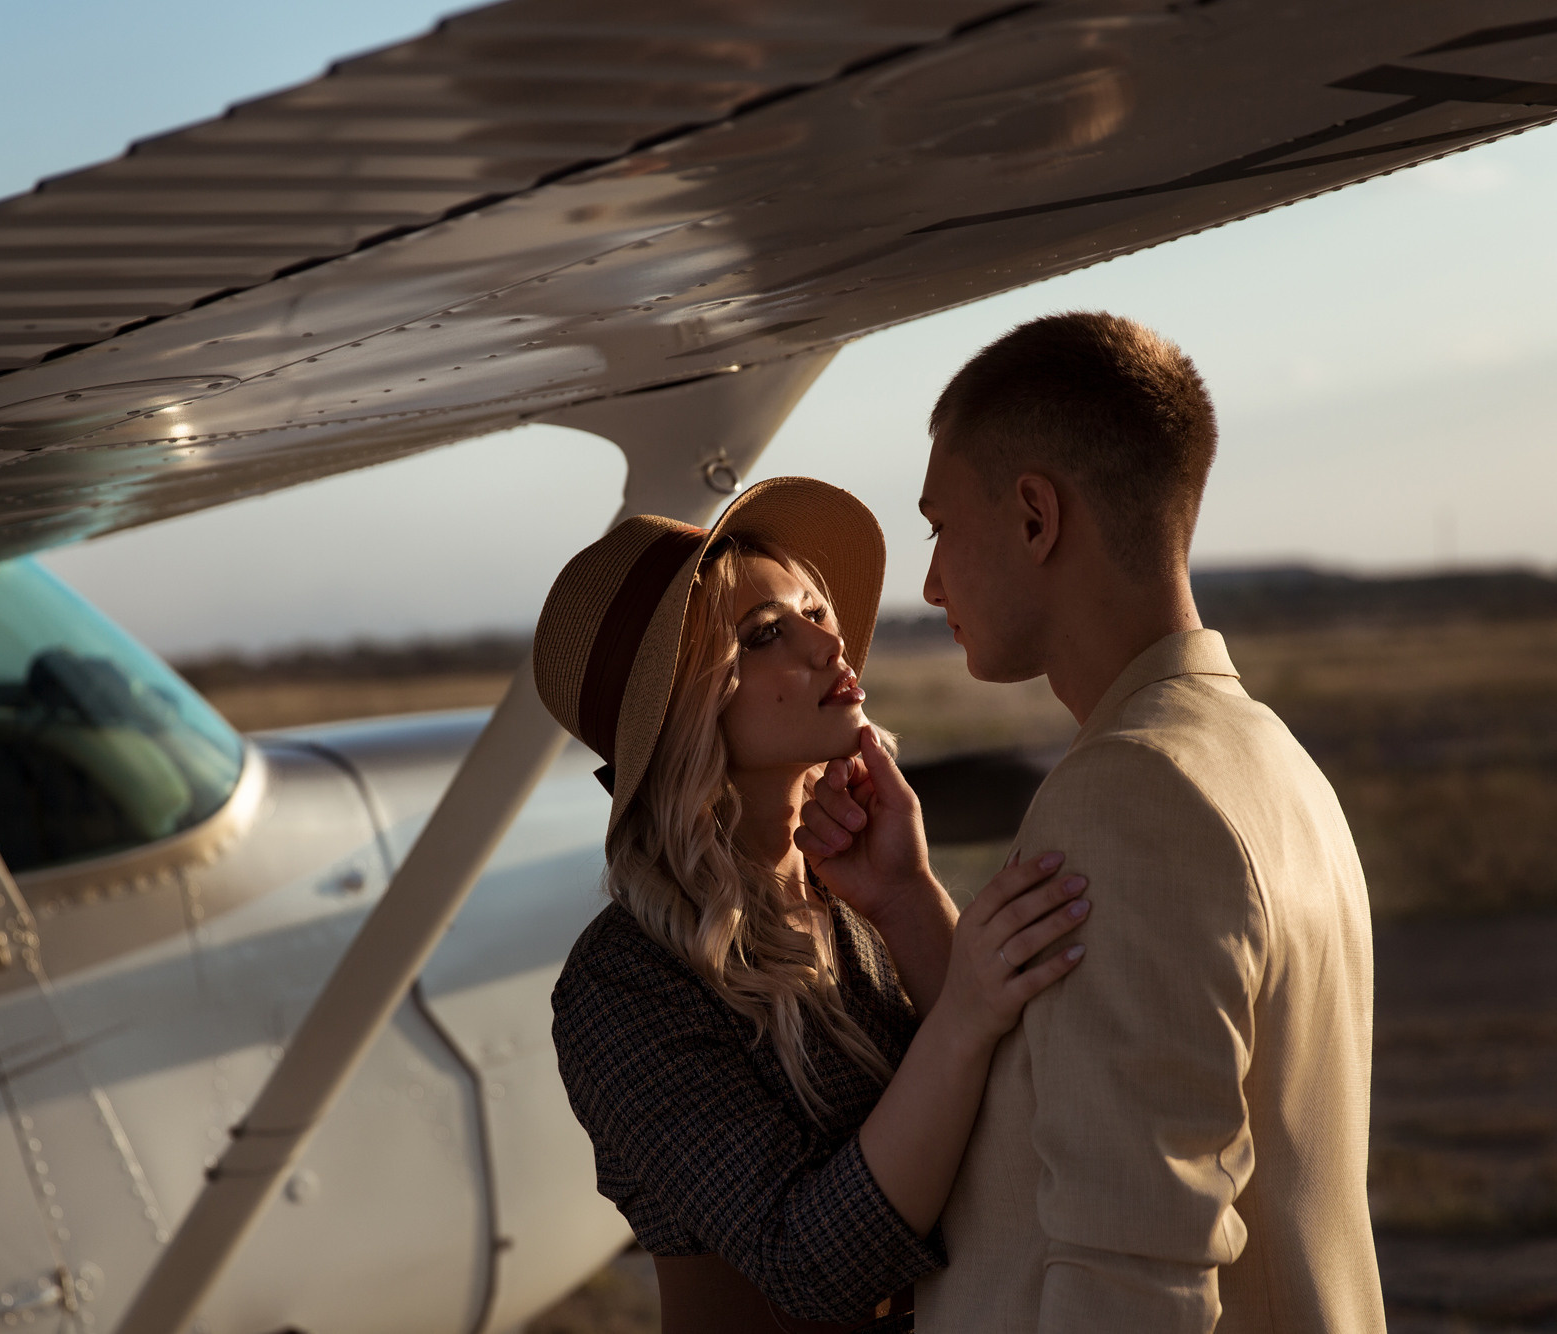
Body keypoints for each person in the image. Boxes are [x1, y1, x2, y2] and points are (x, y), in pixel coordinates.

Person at [799, 312, 1385, 1331]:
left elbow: (1135, 1271)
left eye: (939, 527)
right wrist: (903, 896)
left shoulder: (1132, 795)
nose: (930, 581)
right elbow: (1052, 1088)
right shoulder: (1268, 759)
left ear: (1034, 516)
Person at [537, 477, 1091, 1334]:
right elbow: (807, 1262)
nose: (829, 643)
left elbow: (1024, 1107)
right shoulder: (624, 983)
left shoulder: (852, 895)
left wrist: (909, 898)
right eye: (766, 635)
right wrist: (965, 1010)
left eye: (815, 609)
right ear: (694, 706)